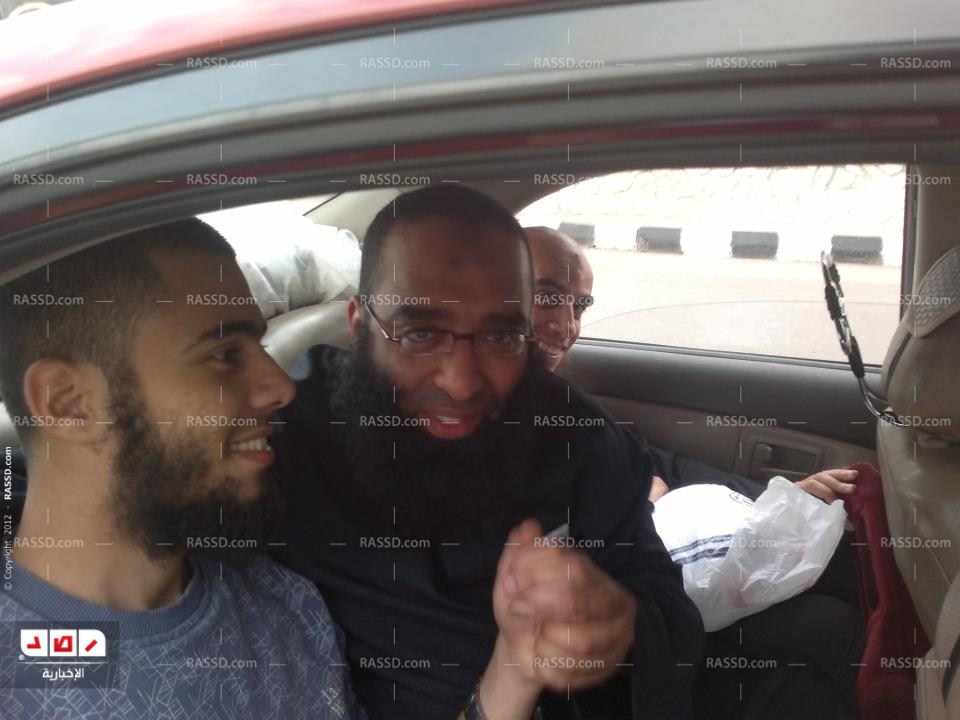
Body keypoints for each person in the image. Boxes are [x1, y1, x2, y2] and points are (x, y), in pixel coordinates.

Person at [0, 219, 545, 720]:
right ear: (68, 403)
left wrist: (512, 671)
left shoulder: (282, 604)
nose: (281, 386)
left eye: (257, 344)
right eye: (223, 354)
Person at [271, 186, 704, 720]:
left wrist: (620, 623)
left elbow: (665, 601)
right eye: (419, 333)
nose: (461, 382)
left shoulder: (572, 432)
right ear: (360, 324)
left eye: (500, 338)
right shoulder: (286, 440)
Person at [525, 225, 866, 718]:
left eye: (579, 306)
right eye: (546, 297)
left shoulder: (563, 405)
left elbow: (661, 466)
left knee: (846, 560)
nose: (567, 325)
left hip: (666, 583)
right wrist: (644, 505)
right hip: (617, 644)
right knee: (833, 633)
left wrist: (781, 500)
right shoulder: (480, 431)